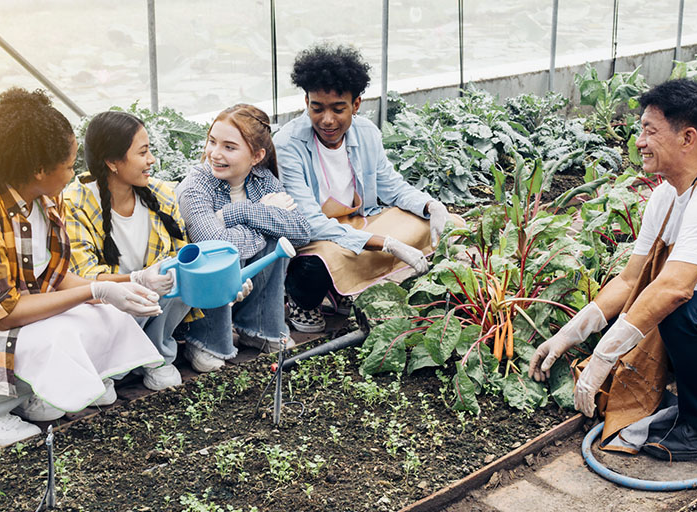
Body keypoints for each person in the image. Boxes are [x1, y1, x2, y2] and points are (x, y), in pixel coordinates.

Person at [529, 78, 697, 461]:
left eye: (650, 131)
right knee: (660, 303)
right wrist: (569, 334)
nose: (639, 141)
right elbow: (631, 279)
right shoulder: (668, 194)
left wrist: (603, 358)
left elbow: (674, 289)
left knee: (678, 308)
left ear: (687, 138)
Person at [0, 88, 164, 447]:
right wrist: (93, 290)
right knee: (59, 334)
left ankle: (32, 394)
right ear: (39, 169)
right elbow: (2, 313)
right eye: (69, 165)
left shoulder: (45, 201)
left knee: (106, 316)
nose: (75, 172)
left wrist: (129, 282)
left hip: (21, 313)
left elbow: (51, 277)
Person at [274, 44, 456, 333]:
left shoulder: (367, 133)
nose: (327, 120)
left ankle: (340, 288)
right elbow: (308, 222)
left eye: (338, 109)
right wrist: (387, 243)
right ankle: (302, 300)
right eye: (316, 108)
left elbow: (392, 187)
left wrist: (432, 207)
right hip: (316, 238)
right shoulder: (288, 144)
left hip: (359, 225)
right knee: (314, 269)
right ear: (306, 101)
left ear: (356, 105)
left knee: (433, 224)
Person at [63, 111, 229, 388]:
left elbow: (182, 255)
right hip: (107, 305)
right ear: (112, 162)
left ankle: (155, 357)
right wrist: (137, 280)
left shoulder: (161, 194)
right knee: (108, 301)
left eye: (149, 150)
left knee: (180, 276)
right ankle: (107, 367)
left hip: (152, 305)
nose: (152, 160)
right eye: (143, 152)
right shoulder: (74, 204)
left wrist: (223, 283)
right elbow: (87, 278)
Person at [177, 104, 310, 356]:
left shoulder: (262, 179)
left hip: (244, 283)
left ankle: (257, 329)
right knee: (261, 238)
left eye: (229, 147)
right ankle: (204, 340)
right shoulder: (195, 187)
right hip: (200, 291)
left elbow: (302, 231)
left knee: (278, 235)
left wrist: (241, 212)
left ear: (256, 156)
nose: (215, 154)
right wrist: (266, 218)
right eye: (212, 142)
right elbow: (216, 246)